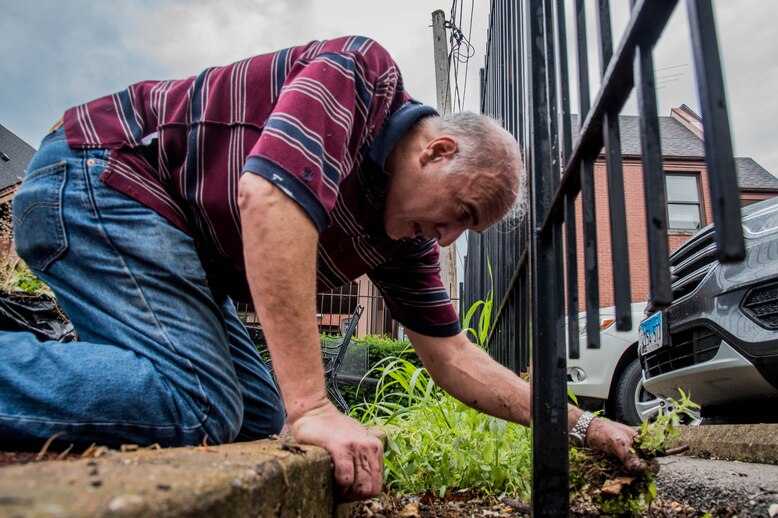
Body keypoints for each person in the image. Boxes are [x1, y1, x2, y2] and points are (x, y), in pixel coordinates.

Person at [0, 36, 647, 500]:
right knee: (202, 404)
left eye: (464, 231)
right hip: (97, 175)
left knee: (254, 420)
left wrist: (582, 425)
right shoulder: (359, 76)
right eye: (460, 210)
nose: (447, 238)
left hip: (175, 246)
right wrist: (311, 405)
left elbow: (455, 359)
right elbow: (270, 197)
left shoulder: (403, 242)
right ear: (438, 151)